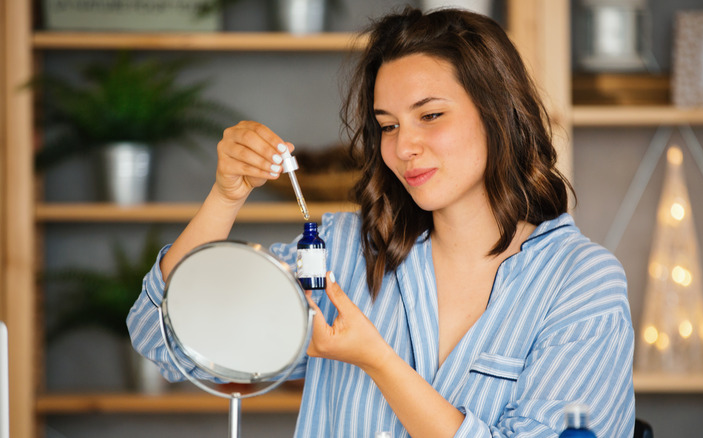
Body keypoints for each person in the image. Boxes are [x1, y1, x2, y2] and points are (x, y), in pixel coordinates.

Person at [127, 6, 635, 437]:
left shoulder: (581, 284)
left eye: (430, 116)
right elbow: (162, 339)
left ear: (497, 114)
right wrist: (225, 195)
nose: (403, 146)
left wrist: (379, 361)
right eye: (387, 125)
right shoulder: (341, 254)